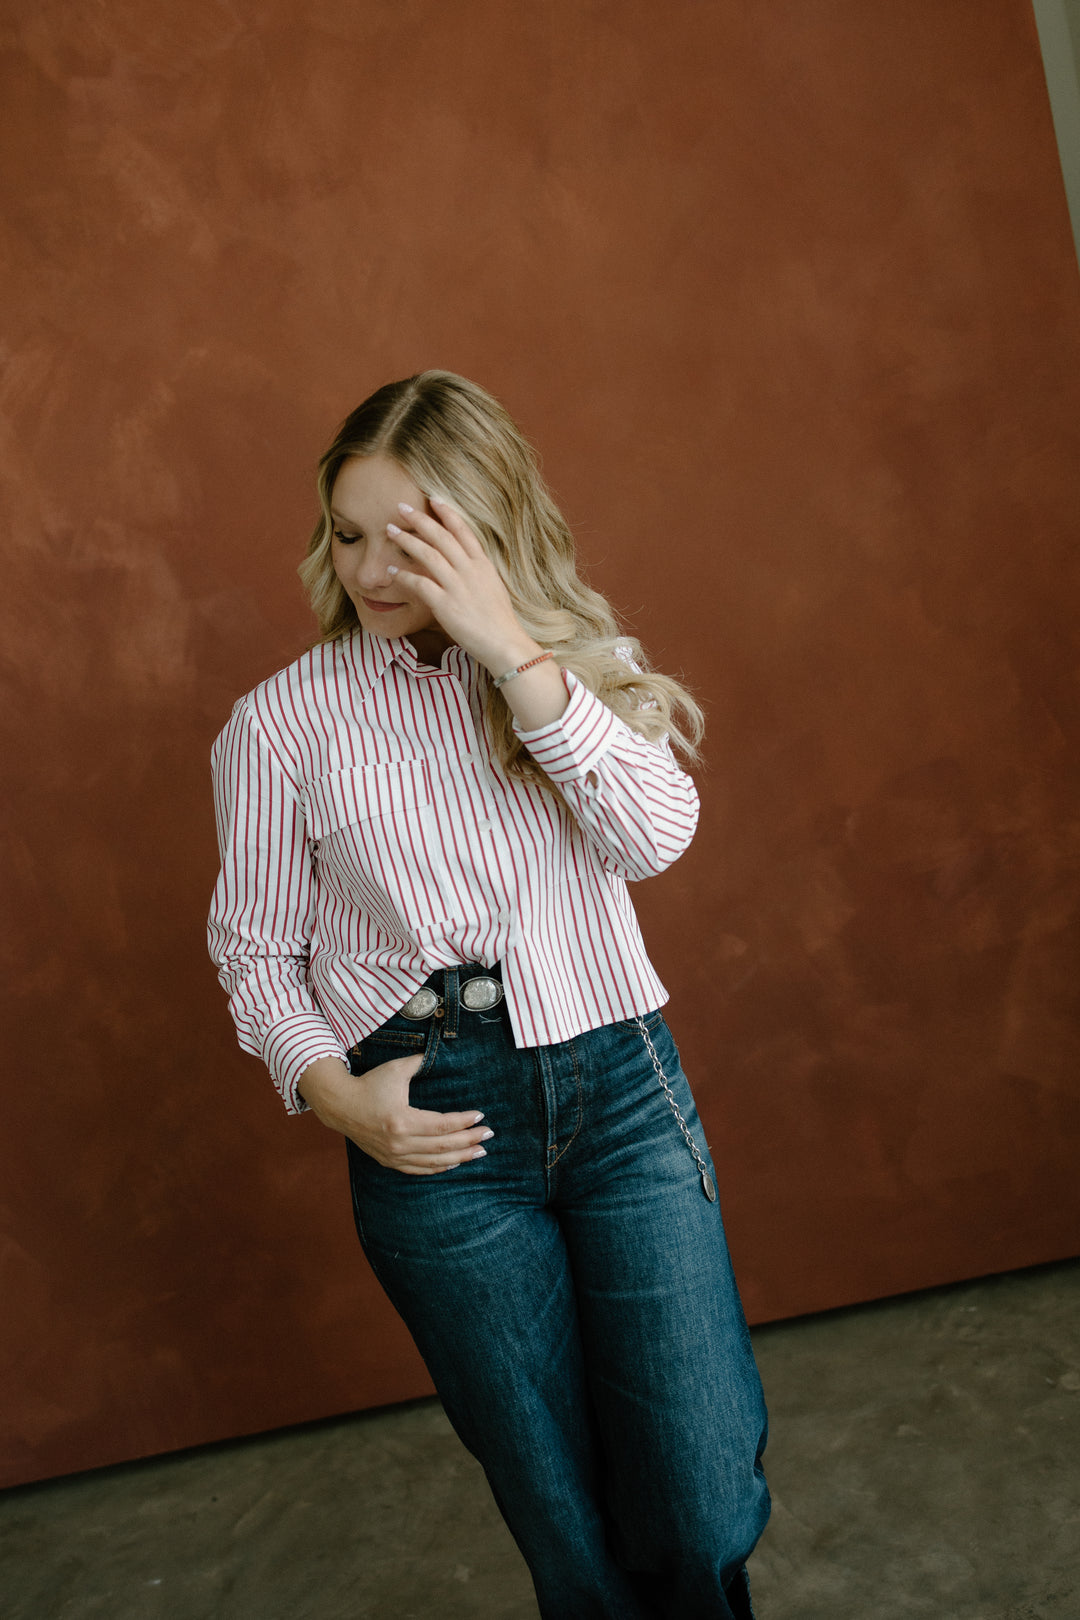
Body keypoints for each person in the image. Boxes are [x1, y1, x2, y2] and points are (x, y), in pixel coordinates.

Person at [208, 370, 770, 1618]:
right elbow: (255, 953)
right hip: (436, 1134)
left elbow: (655, 838)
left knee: (700, 1499)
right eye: (347, 535)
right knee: (564, 1517)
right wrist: (336, 1099)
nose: (371, 570)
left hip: (621, 1096)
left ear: (484, 529)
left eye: (410, 539)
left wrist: (512, 650)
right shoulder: (281, 725)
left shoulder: (569, 668)